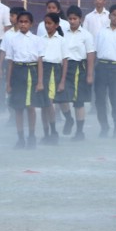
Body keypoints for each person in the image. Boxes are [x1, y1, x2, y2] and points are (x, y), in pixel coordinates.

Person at [3, 12, 45, 148]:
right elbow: (10, 63)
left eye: (26, 22)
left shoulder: (37, 40)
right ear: (17, 23)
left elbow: (39, 62)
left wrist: (39, 81)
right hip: (18, 72)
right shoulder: (12, 39)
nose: (23, 24)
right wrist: (8, 83)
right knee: (18, 108)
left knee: (31, 107)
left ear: (31, 24)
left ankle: (31, 136)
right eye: (20, 21)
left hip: (31, 72)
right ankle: (20, 138)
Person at [93, 4, 116, 137]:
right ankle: (104, 127)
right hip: (101, 66)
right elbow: (95, 52)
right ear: (109, 16)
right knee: (100, 100)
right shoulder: (101, 32)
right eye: (114, 15)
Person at [63, 5, 96, 140]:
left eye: (75, 18)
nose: (72, 21)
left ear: (80, 19)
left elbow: (90, 55)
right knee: (60, 98)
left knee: (78, 101)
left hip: (79, 68)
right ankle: (68, 118)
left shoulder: (86, 35)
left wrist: (89, 74)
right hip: (64, 67)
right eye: (70, 18)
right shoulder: (62, 32)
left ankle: (79, 131)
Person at [38, 12, 69, 145]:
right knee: (43, 105)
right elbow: (38, 59)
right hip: (42, 70)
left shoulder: (61, 40)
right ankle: (46, 134)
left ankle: (53, 131)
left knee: (49, 103)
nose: (47, 26)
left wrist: (62, 81)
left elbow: (65, 61)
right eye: (46, 23)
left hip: (54, 71)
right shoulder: (41, 39)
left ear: (56, 25)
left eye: (50, 23)